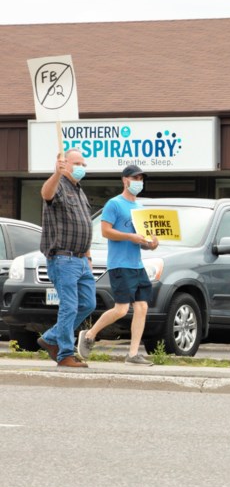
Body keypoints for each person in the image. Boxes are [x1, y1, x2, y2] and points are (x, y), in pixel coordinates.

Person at [77, 165, 159, 365]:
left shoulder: (140, 209)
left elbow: (144, 241)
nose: (139, 181)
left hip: (137, 264)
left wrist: (151, 243)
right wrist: (129, 236)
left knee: (142, 307)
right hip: (119, 265)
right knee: (121, 309)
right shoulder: (114, 204)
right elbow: (106, 231)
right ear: (125, 180)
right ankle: (89, 335)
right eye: (135, 178)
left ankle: (132, 354)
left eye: (141, 178)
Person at [37, 148, 95, 368]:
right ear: (64, 163)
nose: (81, 168)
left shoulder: (79, 190)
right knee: (69, 306)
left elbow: (84, 225)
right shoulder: (58, 185)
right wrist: (56, 173)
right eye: (77, 164)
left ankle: (51, 338)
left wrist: (88, 257)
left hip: (81, 260)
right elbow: (46, 194)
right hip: (63, 258)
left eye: (84, 165)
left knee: (88, 303)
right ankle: (64, 354)